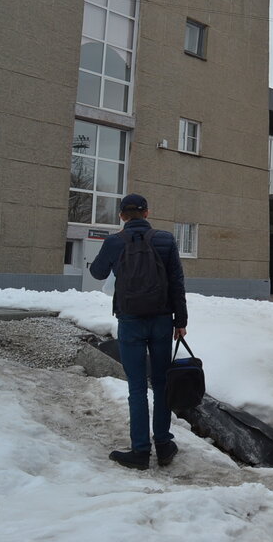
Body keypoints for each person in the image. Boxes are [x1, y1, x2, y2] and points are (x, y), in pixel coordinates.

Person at [88, 193, 188, 470]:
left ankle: (140, 451)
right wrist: (181, 321)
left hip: (130, 320)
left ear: (122, 215)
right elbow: (177, 282)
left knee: (136, 388)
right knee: (161, 384)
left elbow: (97, 273)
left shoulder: (114, 241)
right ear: (146, 213)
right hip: (161, 320)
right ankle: (165, 445)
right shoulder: (165, 239)